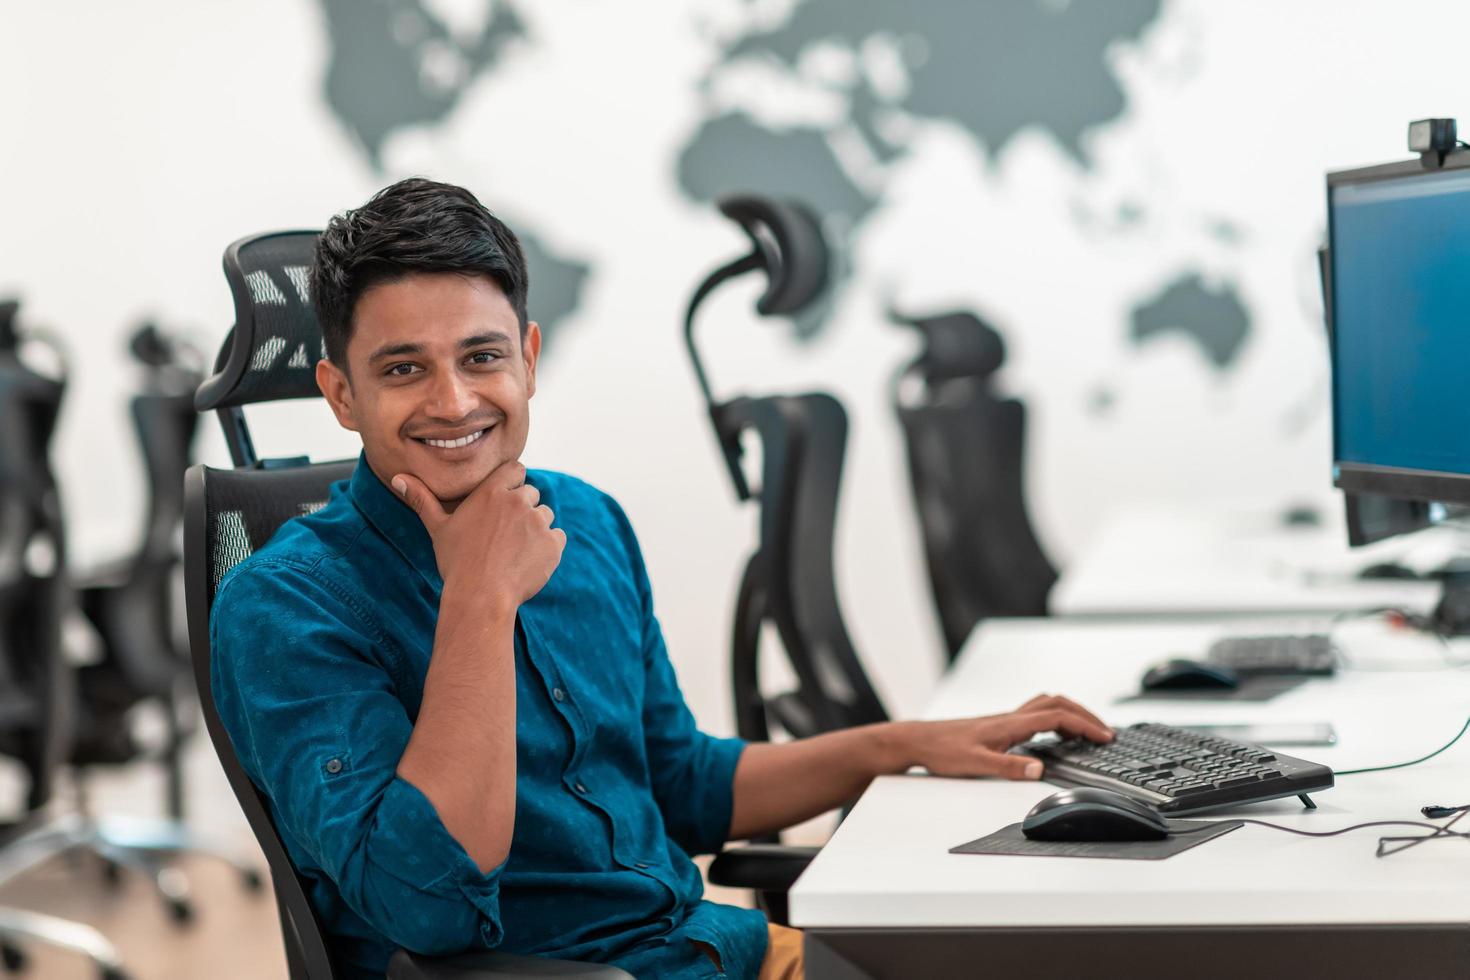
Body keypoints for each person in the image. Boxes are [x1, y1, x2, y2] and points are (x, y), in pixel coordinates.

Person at [210, 178, 1113, 980]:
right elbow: (426, 906)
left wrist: (903, 743)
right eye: (403, 369)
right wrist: (478, 598)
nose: (453, 401)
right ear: (340, 393)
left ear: (528, 357)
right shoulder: (283, 604)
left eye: (481, 357)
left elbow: (681, 782)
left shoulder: (589, 523)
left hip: (711, 951)